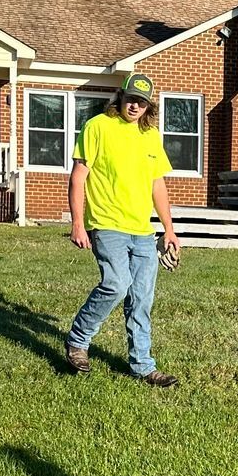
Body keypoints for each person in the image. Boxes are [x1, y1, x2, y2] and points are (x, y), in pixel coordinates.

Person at [64, 72, 182, 386]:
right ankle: (78, 340)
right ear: (120, 97)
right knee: (116, 284)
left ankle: (143, 366)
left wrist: (168, 230)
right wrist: (78, 223)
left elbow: (158, 184)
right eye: (131, 99)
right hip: (106, 223)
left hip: (142, 230)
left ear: (148, 106)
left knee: (142, 297)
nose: (135, 106)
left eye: (141, 102)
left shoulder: (151, 136)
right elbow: (78, 177)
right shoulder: (98, 127)